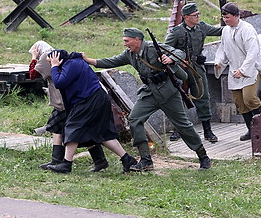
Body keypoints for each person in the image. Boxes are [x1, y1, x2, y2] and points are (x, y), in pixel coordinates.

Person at [83, 28, 212, 171]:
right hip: (149, 92)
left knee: (183, 125)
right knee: (134, 119)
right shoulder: (130, 54)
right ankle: (146, 160)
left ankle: (203, 157)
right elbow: (111, 61)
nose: (125, 44)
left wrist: (170, 59)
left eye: (127, 41)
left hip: (168, 93)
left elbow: (179, 53)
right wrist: (88, 60)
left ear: (137, 40)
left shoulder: (152, 48)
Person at [46, 49, 137, 173]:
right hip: (93, 99)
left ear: (58, 59)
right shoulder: (72, 63)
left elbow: (59, 82)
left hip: (90, 100)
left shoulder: (72, 64)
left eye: (50, 61)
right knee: (102, 133)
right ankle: (127, 160)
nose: (50, 65)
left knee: (73, 127)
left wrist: (55, 66)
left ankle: (66, 164)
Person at [28, 41, 109, 172]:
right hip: (64, 100)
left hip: (64, 101)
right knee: (59, 127)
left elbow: (32, 75)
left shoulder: (45, 57)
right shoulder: (57, 56)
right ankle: (96, 160)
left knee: (73, 130)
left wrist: (33, 57)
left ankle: (64, 161)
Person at [165, 3, 223, 142]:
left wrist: (235, 24)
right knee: (179, 99)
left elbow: (220, 31)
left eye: (198, 14)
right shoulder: (177, 32)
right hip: (181, 69)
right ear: (185, 17)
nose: (198, 17)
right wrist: (177, 60)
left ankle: (208, 131)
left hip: (196, 68)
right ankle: (178, 129)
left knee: (203, 97)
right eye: (195, 15)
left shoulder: (202, 27)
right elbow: (166, 49)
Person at [214, 2, 261, 141]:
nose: (225, 20)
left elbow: (253, 52)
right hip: (234, 71)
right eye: (224, 17)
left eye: (228, 17)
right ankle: (251, 130)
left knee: (250, 99)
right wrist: (219, 62)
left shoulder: (247, 29)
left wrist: (243, 70)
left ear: (236, 16)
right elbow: (222, 48)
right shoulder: (225, 31)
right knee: (240, 103)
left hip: (250, 70)